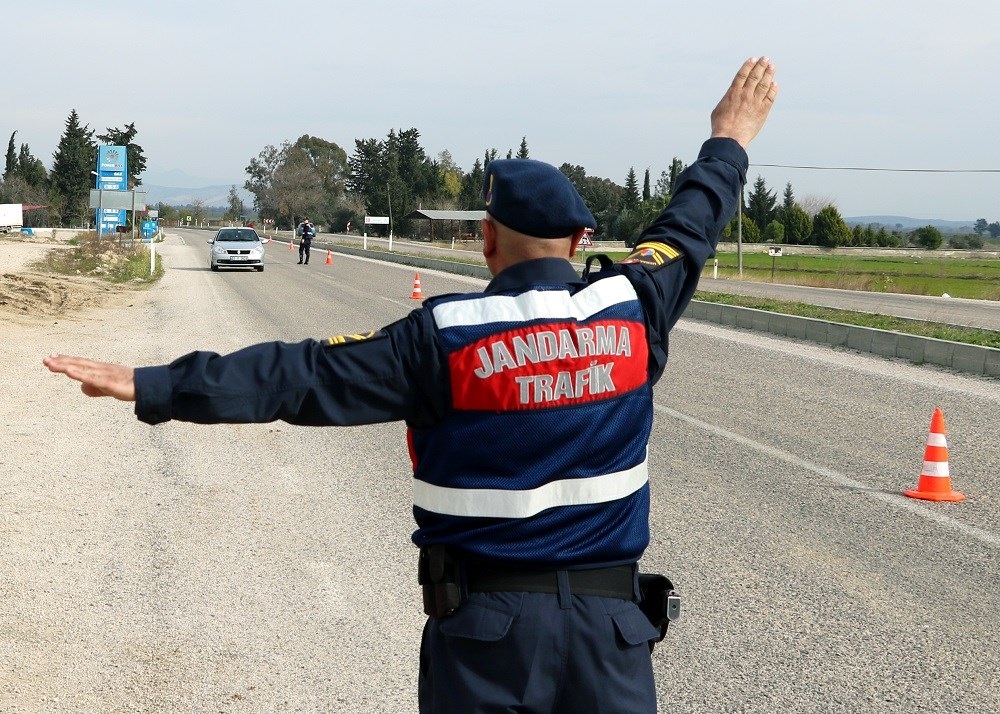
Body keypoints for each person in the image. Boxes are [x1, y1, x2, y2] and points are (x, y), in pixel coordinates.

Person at [44, 57, 777, 713]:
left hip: (488, 643)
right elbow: (690, 223)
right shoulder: (634, 304)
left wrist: (154, 384)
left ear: (487, 238)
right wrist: (730, 138)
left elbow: (298, 377)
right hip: (613, 642)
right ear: (581, 241)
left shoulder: (443, 337)